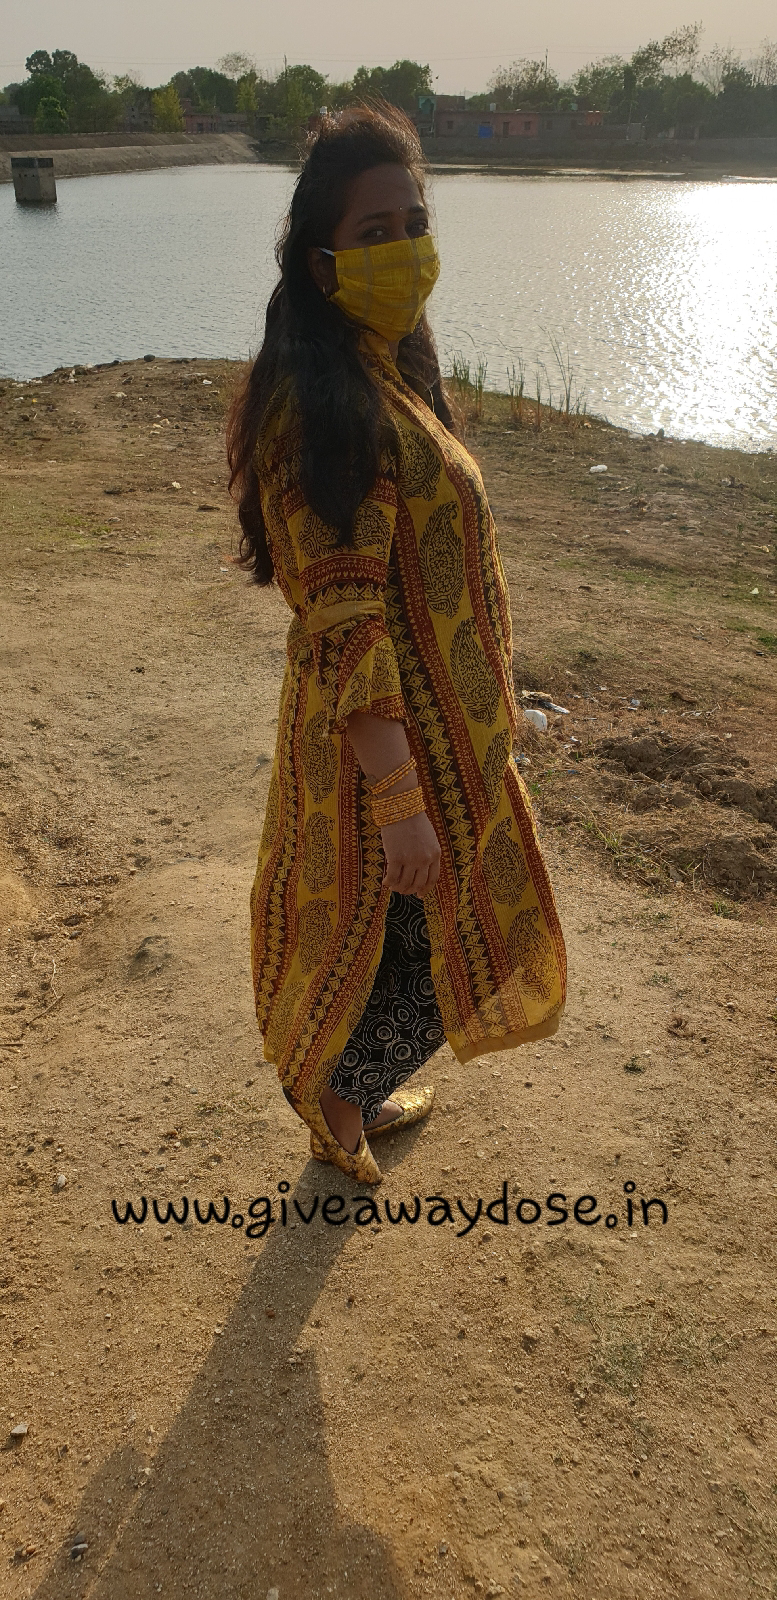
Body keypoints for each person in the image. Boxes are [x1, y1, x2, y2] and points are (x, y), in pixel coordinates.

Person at [227, 104, 566, 1187]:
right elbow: (344, 615)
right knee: (404, 932)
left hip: (443, 741)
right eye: (374, 232)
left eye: (414, 223)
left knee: (414, 934)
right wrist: (398, 795)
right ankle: (338, 1109)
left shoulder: (385, 372)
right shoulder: (317, 406)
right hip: (384, 747)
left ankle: (354, 1091)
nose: (405, 249)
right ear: (321, 261)